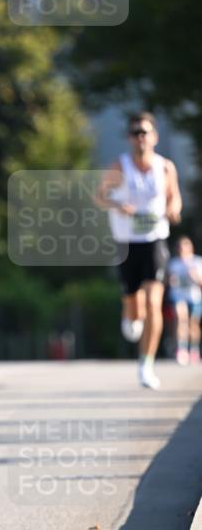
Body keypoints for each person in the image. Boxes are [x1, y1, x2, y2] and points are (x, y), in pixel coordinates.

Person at [96, 111, 182, 389]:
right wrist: (118, 205)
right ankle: (128, 313)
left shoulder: (165, 167)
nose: (140, 137)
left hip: (155, 240)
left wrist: (173, 209)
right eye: (135, 133)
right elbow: (99, 196)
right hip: (127, 242)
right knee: (135, 307)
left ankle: (146, 365)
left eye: (145, 132)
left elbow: (174, 198)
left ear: (154, 137)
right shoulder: (119, 167)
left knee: (153, 303)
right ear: (129, 138)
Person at [167, 236, 202, 365]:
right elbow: (167, 281)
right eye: (180, 246)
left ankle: (193, 349)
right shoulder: (173, 263)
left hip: (194, 297)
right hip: (178, 296)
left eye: (185, 246)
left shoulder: (198, 262)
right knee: (181, 320)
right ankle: (181, 350)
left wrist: (195, 276)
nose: (182, 249)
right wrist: (170, 280)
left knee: (193, 324)